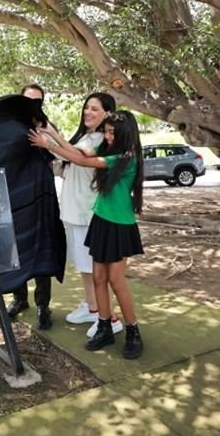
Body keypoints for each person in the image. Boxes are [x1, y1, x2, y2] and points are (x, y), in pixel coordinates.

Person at [30, 110, 145, 359]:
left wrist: (46, 143)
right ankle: (104, 326)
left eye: (113, 132)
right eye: (107, 132)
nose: (108, 136)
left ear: (126, 134)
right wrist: (51, 134)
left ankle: (133, 330)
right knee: (98, 279)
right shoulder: (107, 150)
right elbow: (76, 153)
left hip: (120, 224)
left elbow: (83, 162)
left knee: (116, 280)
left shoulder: (126, 157)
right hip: (101, 220)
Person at [48, 93, 124, 338]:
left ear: (107, 113)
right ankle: (93, 308)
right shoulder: (85, 136)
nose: (88, 112)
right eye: (86, 108)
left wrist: (49, 138)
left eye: (95, 108)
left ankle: (110, 317)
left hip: (87, 213)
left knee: (96, 269)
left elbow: (74, 156)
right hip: (73, 212)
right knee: (84, 266)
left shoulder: (102, 138)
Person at [7, 83, 55, 329]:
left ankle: (43, 306)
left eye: (38, 100)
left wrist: (44, 138)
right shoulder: (8, 127)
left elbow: (56, 156)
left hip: (41, 195)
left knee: (42, 250)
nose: (33, 104)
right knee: (16, 249)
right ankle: (19, 299)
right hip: (15, 196)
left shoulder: (46, 127)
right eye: (29, 100)